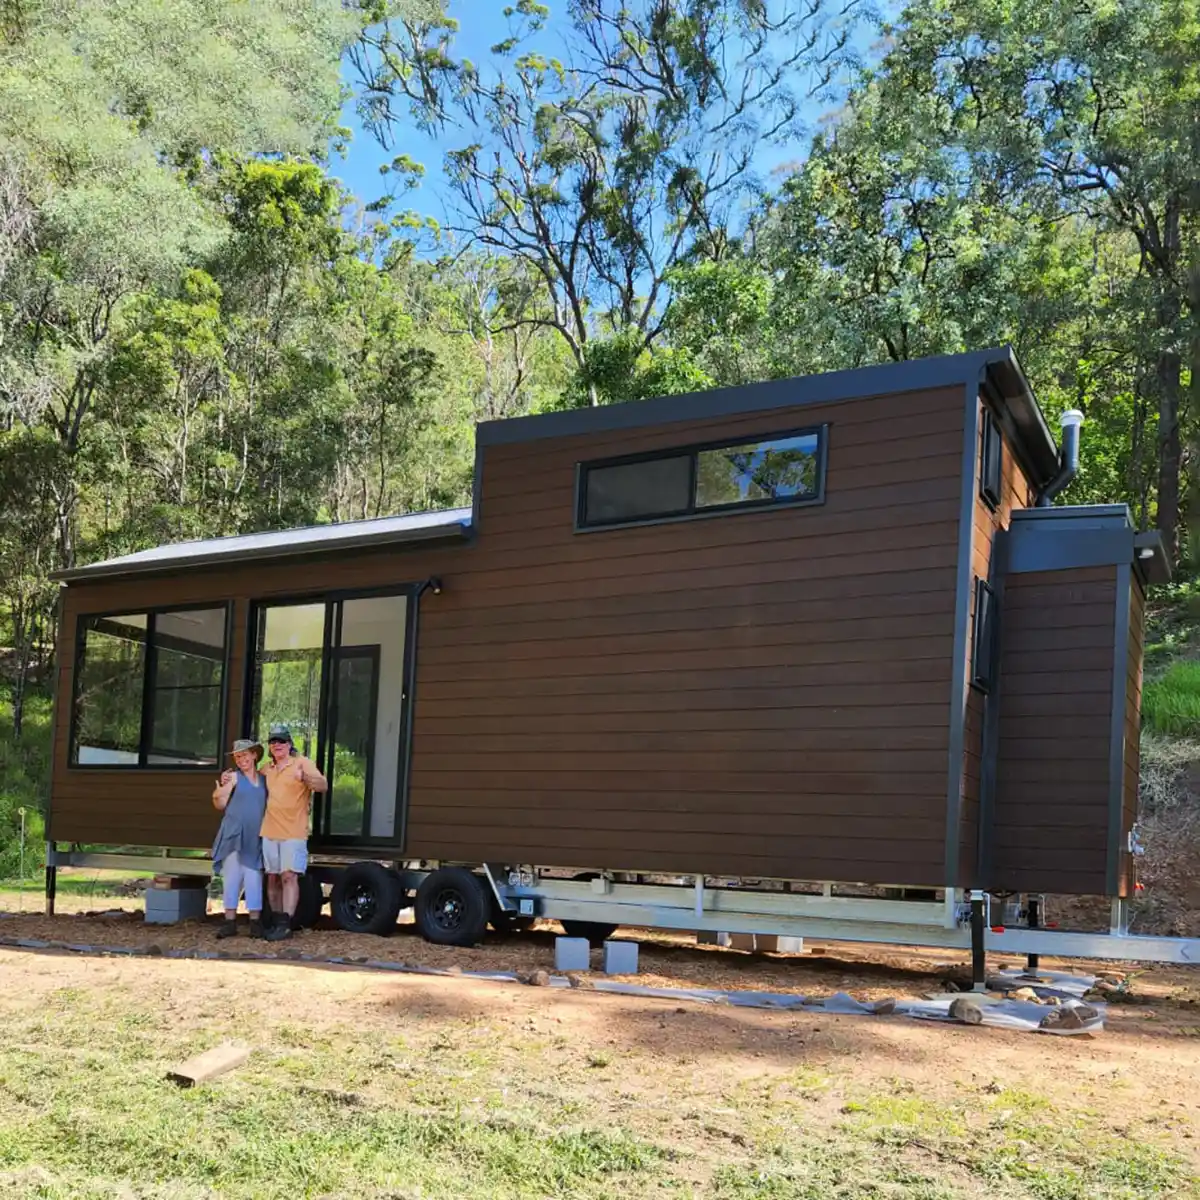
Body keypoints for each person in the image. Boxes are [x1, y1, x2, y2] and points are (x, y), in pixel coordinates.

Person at [260, 722, 327, 941]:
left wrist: (305, 778)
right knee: (272, 879)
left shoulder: (302, 763)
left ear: (289, 744)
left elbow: (323, 785)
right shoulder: (266, 769)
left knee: (289, 876)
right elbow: (249, 784)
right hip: (269, 831)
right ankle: (277, 921)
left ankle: (286, 924)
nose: (277, 745)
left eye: (281, 741)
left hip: (293, 832)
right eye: (273, 742)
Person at [211, 738, 268, 939]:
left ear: (254, 755)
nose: (241, 759)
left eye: (244, 754)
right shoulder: (233, 778)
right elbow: (220, 802)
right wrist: (219, 791)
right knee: (232, 877)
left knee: (254, 878)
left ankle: (255, 923)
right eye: (237, 756)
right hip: (233, 834)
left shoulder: (264, 779)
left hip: (255, 835)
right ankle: (229, 922)